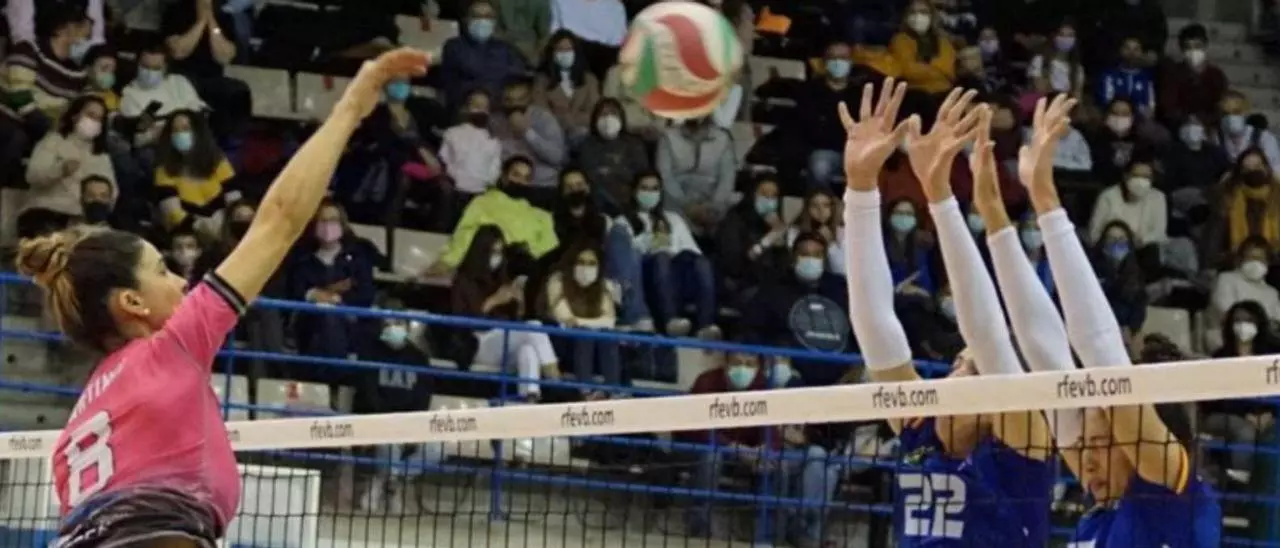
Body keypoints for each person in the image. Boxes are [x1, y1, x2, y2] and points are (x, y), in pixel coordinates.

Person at [16, 48, 428, 547]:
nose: (181, 282)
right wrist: (351, 107)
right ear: (132, 303)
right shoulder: (172, 344)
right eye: (162, 270)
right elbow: (279, 220)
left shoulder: (83, 419)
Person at [975, 94, 1220, 547]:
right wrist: (994, 217)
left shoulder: (1171, 493)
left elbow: (1104, 356)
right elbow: (1046, 354)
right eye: (1086, 444)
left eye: (1099, 444)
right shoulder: (1102, 513)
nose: (1083, 459)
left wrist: (1047, 201)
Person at [838, 81, 1055, 546]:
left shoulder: (1021, 444)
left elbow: (991, 345)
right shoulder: (921, 429)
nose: (955, 371)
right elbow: (875, 328)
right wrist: (860, 188)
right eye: (957, 362)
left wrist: (940, 195)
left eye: (968, 367)